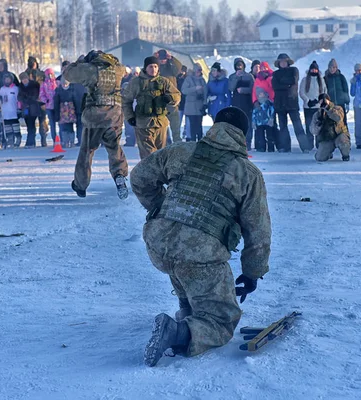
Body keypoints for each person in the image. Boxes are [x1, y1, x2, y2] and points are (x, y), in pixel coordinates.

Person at [129, 106, 271, 367]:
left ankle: (188, 308)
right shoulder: (248, 174)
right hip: (199, 255)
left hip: (158, 244)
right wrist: (252, 273)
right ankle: (176, 332)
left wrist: (159, 208)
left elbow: (138, 177)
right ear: (243, 135)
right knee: (221, 321)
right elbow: (258, 232)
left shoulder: (180, 150)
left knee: (180, 246)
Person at [63, 50, 130, 199]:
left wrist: (79, 62)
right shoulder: (118, 69)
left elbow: (67, 74)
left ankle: (81, 185)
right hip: (114, 116)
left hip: (94, 117)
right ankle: (119, 174)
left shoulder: (89, 70)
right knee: (114, 148)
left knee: (87, 151)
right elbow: (122, 67)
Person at [272, 53, 309, 152]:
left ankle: (305, 147)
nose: (283, 63)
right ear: (278, 63)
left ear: (288, 62)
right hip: (279, 103)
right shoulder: (275, 74)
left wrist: (282, 83)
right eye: (281, 62)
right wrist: (286, 85)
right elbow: (275, 86)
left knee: (298, 126)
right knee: (283, 127)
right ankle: (285, 147)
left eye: (285, 61)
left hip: (291, 102)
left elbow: (293, 80)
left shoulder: (294, 70)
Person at [311, 94, 351, 162]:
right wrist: (318, 123)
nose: (323, 103)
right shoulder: (318, 114)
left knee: (344, 144)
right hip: (327, 138)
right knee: (320, 158)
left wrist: (329, 109)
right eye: (321, 101)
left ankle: (345, 155)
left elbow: (338, 118)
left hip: (339, 134)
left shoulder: (338, 108)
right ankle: (328, 153)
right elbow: (313, 131)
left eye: (325, 101)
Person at [155, 49, 183, 143]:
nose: (162, 61)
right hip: (159, 99)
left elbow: (179, 68)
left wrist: (172, 58)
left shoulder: (171, 68)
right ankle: (166, 141)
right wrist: (153, 59)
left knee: (175, 123)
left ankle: (177, 140)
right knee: (162, 124)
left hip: (172, 99)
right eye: (161, 59)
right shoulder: (155, 68)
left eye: (164, 59)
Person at [299, 61, 327, 151]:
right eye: (312, 69)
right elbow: (301, 92)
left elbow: (324, 91)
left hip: (318, 106)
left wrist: (320, 100)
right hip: (308, 106)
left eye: (315, 69)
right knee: (309, 126)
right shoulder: (305, 80)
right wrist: (307, 100)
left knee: (319, 125)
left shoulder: (321, 80)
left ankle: (319, 144)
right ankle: (309, 145)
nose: (314, 71)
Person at [229, 58, 255, 150]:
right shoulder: (232, 76)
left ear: (244, 66)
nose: (239, 67)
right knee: (237, 124)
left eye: (241, 65)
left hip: (247, 103)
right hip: (236, 103)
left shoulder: (249, 76)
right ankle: (238, 142)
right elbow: (231, 88)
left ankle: (248, 142)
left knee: (247, 123)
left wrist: (244, 90)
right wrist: (236, 77)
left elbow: (253, 89)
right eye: (237, 65)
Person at [180, 63, 207, 142]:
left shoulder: (202, 80)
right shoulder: (188, 79)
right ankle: (192, 142)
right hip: (190, 107)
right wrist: (195, 88)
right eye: (198, 70)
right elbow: (184, 90)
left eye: (200, 70)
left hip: (199, 106)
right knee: (192, 126)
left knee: (199, 125)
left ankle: (200, 141)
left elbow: (205, 91)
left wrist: (205, 102)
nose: (199, 72)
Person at [18, 72, 45, 148]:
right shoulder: (20, 87)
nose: (24, 80)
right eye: (23, 79)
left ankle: (31, 141)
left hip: (34, 107)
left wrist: (29, 99)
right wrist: (24, 100)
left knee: (32, 125)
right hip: (26, 107)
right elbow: (19, 97)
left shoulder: (34, 85)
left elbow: (37, 95)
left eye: (25, 78)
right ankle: (30, 141)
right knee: (28, 125)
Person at [324, 59, 350, 126]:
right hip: (330, 105)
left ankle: (345, 136)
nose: (332, 69)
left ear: (336, 68)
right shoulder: (325, 78)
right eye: (330, 67)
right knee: (331, 124)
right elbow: (323, 91)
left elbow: (345, 90)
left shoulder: (341, 77)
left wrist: (347, 102)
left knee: (343, 123)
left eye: (334, 67)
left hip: (340, 104)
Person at [53, 77, 77, 148]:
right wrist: (56, 114)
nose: (65, 85)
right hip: (62, 111)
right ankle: (65, 142)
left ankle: (72, 141)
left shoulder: (72, 90)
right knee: (64, 127)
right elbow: (56, 103)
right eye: (63, 84)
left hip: (70, 111)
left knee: (70, 127)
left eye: (66, 84)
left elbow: (75, 101)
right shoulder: (58, 91)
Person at [0, 75, 21, 148]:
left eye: (8, 79)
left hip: (13, 111)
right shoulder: (2, 89)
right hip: (5, 112)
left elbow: (18, 100)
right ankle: (10, 140)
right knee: (8, 128)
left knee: (15, 128)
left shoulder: (15, 89)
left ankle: (18, 139)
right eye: (6, 80)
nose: (7, 81)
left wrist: (19, 109)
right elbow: (0, 99)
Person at [252, 87, 276, 152]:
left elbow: (272, 111)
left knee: (270, 136)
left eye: (261, 93)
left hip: (268, 122)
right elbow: (254, 114)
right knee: (261, 136)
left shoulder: (269, 103)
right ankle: (261, 147)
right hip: (259, 123)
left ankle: (271, 147)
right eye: (259, 94)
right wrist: (253, 122)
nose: (260, 95)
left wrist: (271, 119)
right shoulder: (257, 104)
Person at [39, 68, 58, 142]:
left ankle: (62, 139)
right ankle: (54, 139)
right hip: (49, 106)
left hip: (57, 106)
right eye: (48, 74)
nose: (50, 76)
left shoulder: (57, 83)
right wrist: (45, 100)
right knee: (52, 124)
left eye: (51, 74)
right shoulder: (44, 84)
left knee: (60, 123)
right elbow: (41, 95)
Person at [176, 66, 189, 141]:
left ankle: (186, 132)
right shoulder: (177, 79)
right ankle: (178, 134)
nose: (182, 72)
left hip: (186, 102)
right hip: (180, 102)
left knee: (187, 120)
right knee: (178, 120)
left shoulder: (187, 79)